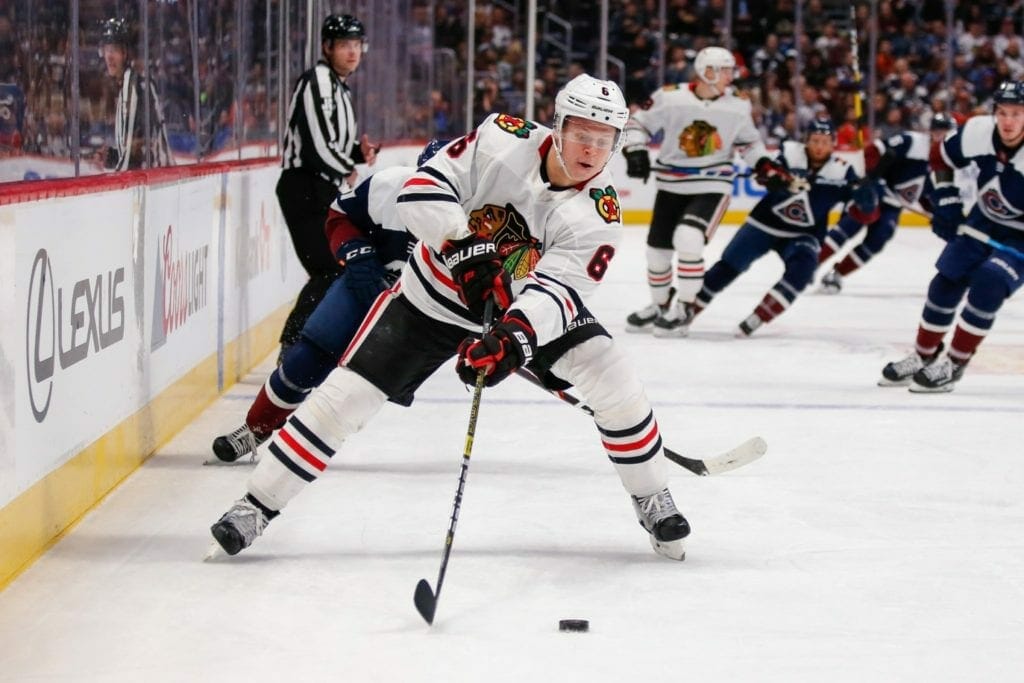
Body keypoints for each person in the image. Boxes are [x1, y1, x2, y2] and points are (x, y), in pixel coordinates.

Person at [209, 74, 691, 562]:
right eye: (582, 133)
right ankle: (256, 505)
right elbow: (425, 187)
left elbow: (559, 292)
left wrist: (512, 340)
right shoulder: (502, 138)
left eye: (604, 139)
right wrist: (462, 246)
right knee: (345, 397)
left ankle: (652, 496)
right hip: (430, 299)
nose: (591, 149)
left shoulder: (600, 215)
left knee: (610, 372)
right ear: (558, 124)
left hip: (517, 307)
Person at [210, 144, 447, 462]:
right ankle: (256, 428)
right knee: (307, 359)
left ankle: (309, 443)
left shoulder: (475, 214)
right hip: (366, 282)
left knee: (362, 389)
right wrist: (358, 255)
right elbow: (339, 215)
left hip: (417, 309)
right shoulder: (388, 185)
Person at [620, 46, 782, 336]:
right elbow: (637, 124)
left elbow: (749, 143)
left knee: (689, 238)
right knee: (657, 253)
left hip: (712, 185)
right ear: (708, 72)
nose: (732, 76)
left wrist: (764, 164)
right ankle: (660, 305)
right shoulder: (670, 97)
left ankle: (685, 308)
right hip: (670, 185)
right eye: (726, 70)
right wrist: (635, 151)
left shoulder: (737, 104)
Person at [879, 80, 1024, 392]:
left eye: (1017, 113)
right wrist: (945, 197)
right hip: (983, 221)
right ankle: (923, 355)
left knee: (990, 282)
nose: (1008, 121)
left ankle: (956, 362)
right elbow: (941, 156)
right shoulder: (978, 131)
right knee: (945, 282)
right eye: (1003, 112)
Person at [679, 119, 879, 336]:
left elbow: (864, 216)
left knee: (804, 269)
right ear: (806, 141)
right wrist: (774, 180)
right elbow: (766, 174)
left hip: (804, 233)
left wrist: (867, 201)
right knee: (728, 266)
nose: (819, 147)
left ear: (833, 144)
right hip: (763, 224)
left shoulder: (843, 172)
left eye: (825, 142)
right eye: (815, 141)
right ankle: (686, 312)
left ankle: (759, 317)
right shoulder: (790, 154)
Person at [276, 14, 379, 356]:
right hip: (304, 187)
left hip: (320, 187)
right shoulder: (318, 82)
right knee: (328, 267)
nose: (353, 52)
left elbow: (330, 143)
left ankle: (301, 345)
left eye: (357, 44)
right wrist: (347, 168)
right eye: (345, 44)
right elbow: (315, 146)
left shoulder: (337, 87)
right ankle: (293, 346)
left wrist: (357, 154)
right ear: (327, 47)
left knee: (335, 267)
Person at [817, 113, 958, 294]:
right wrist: (873, 177)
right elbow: (875, 150)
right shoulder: (912, 142)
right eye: (939, 132)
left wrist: (937, 213)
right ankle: (809, 264)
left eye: (947, 134)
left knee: (880, 236)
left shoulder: (945, 162)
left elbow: (925, 193)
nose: (942, 137)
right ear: (931, 131)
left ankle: (836, 273)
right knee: (851, 225)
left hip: (893, 205)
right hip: (873, 192)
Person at [97, 17, 172, 170]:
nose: (109, 56)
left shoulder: (133, 86)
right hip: (154, 175)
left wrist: (114, 178)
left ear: (125, 53)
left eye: (115, 50)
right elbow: (134, 150)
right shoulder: (129, 83)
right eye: (107, 49)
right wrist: (112, 157)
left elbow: (134, 153)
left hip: (156, 178)